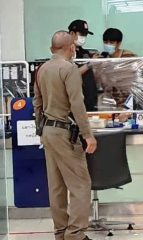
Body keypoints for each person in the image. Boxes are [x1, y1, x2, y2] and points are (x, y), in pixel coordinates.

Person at [33, 30, 97, 240]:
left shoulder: (41, 69)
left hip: (48, 131)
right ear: (72, 48)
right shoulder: (69, 69)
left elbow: (37, 103)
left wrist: (40, 130)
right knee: (80, 184)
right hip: (64, 132)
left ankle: (60, 231)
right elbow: (76, 104)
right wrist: (88, 135)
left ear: (52, 49)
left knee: (57, 185)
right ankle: (76, 234)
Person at [68, 19, 98, 111]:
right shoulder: (64, 53)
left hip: (89, 100)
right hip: (74, 103)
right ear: (72, 33)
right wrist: (89, 64)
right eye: (81, 34)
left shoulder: (84, 53)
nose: (83, 37)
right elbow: (70, 75)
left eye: (85, 35)